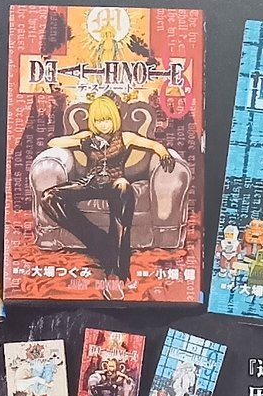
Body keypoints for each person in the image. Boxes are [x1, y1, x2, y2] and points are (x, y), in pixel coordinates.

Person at [38, 95, 172, 282]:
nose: (103, 125)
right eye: (99, 121)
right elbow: (53, 142)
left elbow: (152, 144)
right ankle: (100, 242)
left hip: (114, 182)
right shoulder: (87, 136)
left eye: (107, 119)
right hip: (91, 182)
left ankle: (119, 266)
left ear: (114, 118)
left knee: (123, 185)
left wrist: (164, 152)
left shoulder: (125, 137)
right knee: (48, 197)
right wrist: (82, 143)